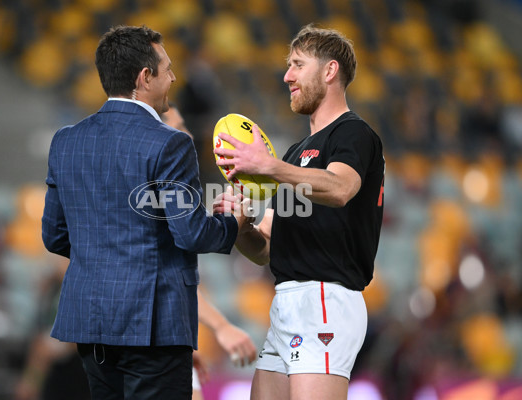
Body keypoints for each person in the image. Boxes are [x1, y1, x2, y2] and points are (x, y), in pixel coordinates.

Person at [41, 25, 251, 400]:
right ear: (144, 77)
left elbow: (55, 236)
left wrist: (106, 254)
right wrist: (233, 223)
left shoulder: (66, 141)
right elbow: (190, 233)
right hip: (155, 323)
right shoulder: (170, 144)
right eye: (167, 69)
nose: (173, 77)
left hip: (91, 322)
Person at [213, 24, 385, 400]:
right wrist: (242, 223)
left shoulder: (353, 134)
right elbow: (266, 250)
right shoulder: (294, 154)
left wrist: (267, 166)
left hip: (326, 299)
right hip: (287, 302)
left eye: (297, 64)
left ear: (329, 71)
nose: (287, 75)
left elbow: (340, 188)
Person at [162, 104, 258, 400]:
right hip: (150, 344)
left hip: (166, 340)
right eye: (179, 127)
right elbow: (167, 277)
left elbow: (174, 277)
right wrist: (233, 225)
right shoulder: (159, 200)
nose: (188, 135)